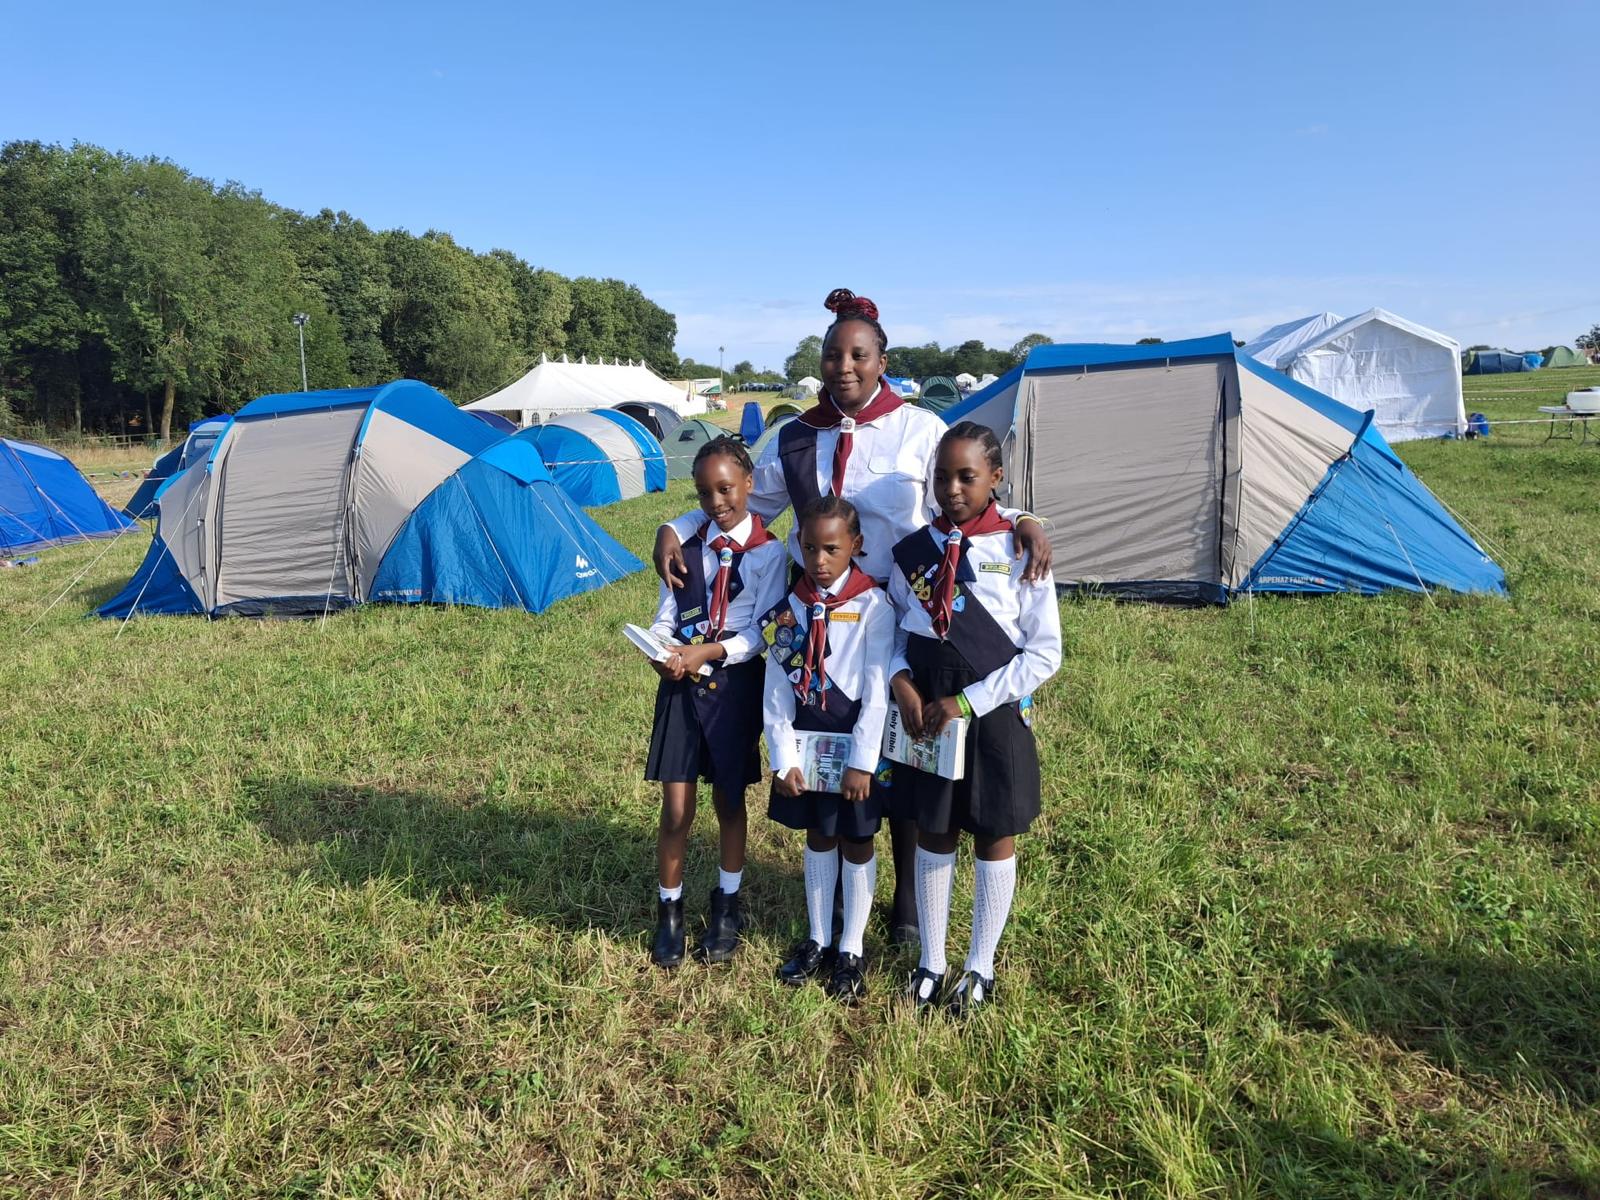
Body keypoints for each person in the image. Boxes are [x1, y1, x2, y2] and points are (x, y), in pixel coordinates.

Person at [655, 288, 1055, 949]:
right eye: (833, 356)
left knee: (905, 757)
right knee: (837, 745)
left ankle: (906, 903)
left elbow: (967, 492)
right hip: (823, 619)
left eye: (858, 355)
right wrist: (673, 527)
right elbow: (739, 504)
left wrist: (1026, 519)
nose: (844, 367)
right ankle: (840, 893)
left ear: (881, 361)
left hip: (908, 613)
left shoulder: (919, 429)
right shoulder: (795, 437)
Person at [886, 422, 1062, 1015]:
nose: (952, 489)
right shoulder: (914, 552)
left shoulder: (1018, 550)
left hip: (991, 711)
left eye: (967, 476)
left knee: (993, 832)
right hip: (926, 711)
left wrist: (968, 702)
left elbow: (1044, 653)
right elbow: (893, 632)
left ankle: (980, 966)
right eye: (942, 477)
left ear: (996, 478)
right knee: (934, 830)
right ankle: (932, 962)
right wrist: (902, 682)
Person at [644, 436, 788, 968]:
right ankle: (670, 910)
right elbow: (666, 616)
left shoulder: (769, 553)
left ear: (749, 484)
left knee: (729, 800)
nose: (716, 502)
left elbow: (760, 632)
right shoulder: (687, 548)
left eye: (726, 489)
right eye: (704, 493)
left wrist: (708, 650)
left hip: (734, 687)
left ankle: (727, 905)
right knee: (677, 809)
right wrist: (662, 651)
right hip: (681, 685)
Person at [760, 496, 894, 1003]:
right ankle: (818, 937)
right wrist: (783, 758)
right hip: (807, 744)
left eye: (832, 549)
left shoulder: (873, 606)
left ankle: (851, 948)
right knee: (818, 835)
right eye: (810, 548)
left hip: (855, 745)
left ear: (855, 546)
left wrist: (863, 762)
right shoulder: (790, 608)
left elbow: (878, 692)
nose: (819, 560)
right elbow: (776, 688)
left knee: (857, 840)